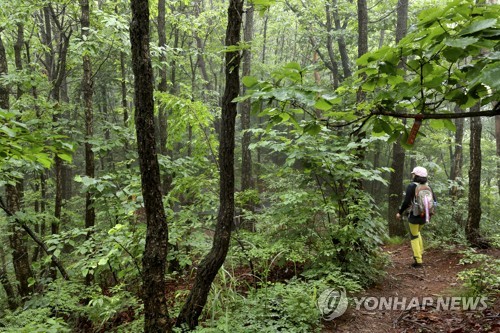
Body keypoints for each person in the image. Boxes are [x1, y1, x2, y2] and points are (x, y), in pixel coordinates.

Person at [396, 166, 436, 268]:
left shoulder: (411, 186)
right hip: (425, 216)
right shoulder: (428, 187)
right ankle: (420, 252)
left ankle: (418, 261)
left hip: (414, 215)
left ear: (416, 176)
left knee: (413, 236)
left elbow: (406, 202)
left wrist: (400, 212)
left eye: (413, 174)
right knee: (417, 233)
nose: (412, 175)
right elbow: (435, 202)